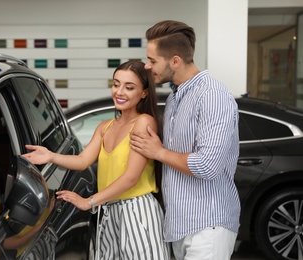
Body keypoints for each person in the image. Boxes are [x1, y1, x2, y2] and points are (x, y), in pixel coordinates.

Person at [22, 60, 170, 260]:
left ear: (144, 92)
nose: (119, 92)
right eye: (116, 84)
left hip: (137, 211)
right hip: (109, 211)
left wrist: (88, 202)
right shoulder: (105, 126)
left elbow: (131, 178)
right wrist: (50, 155)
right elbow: (83, 160)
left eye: (129, 87)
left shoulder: (144, 122)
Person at [129, 20, 241, 260]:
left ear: (175, 61)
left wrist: (158, 152)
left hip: (207, 227)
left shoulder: (212, 95)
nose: (147, 66)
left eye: (152, 60)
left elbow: (207, 165)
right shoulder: (175, 97)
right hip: (179, 225)